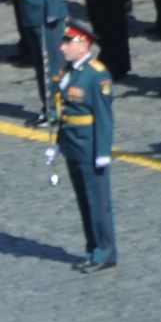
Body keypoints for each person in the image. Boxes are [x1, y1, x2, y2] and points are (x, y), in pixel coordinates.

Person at [52, 21, 118, 274]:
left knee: (97, 201)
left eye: (68, 42)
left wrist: (102, 152)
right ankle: (93, 249)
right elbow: (65, 111)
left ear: (83, 44)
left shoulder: (96, 74)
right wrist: (58, 144)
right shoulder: (71, 71)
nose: (62, 47)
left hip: (90, 147)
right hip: (73, 145)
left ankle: (105, 252)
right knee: (84, 201)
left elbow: (104, 118)